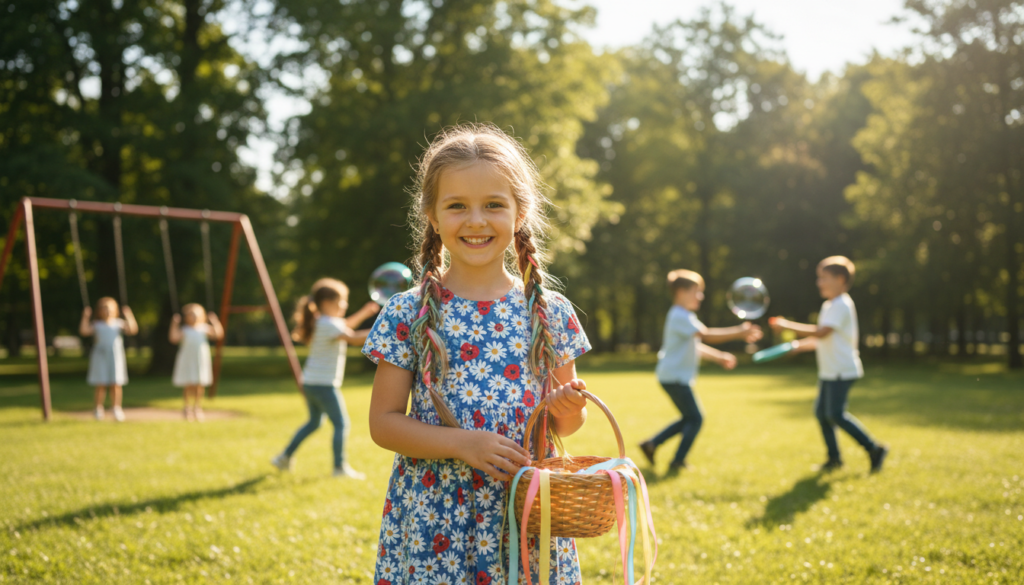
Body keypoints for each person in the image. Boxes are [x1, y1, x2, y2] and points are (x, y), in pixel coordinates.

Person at [362, 123, 592, 584]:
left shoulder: (550, 312)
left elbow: (566, 425)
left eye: (493, 205)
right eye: (456, 206)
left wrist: (567, 409)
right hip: (436, 517)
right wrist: (465, 444)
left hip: (526, 514)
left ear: (520, 211)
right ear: (432, 214)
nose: (476, 221)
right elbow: (383, 423)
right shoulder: (408, 311)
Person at [770, 255, 889, 473]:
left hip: (842, 370)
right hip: (829, 371)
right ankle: (834, 458)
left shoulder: (842, 304)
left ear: (841, 279)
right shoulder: (830, 305)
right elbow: (820, 339)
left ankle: (874, 448)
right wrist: (797, 346)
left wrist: (787, 325)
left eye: (823, 278)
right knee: (821, 413)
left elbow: (822, 332)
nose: (819, 282)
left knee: (834, 414)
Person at [638, 269, 762, 474]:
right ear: (681, 292)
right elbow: (704, 335)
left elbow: (696, 344)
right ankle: (677, 461)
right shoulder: (679, 315)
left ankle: (652, 444)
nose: (701, 296)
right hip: (674, 377)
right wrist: (739, 331)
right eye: (696, 291)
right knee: (696, 418)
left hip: (673, 376)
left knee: (690, 417)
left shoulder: (685, 316)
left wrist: (719, 357)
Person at [270, 278, 380, 478]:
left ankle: (283, 458)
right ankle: (339, 468)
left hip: (310, 382)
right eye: (343, 301)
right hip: (323, 385)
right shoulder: (330, 325)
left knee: (314, 423)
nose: (345, 305)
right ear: (329, 303)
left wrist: (365, 312)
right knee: (341, 424)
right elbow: (352, 337)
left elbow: (346, 327)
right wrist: (384, 329)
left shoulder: (324, 322)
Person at [80, 297, 139, 421]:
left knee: (116, 383)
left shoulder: (118, 323)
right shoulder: (97, 324)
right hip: (100, 356)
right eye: (104, 308)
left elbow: (133, 329)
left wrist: (129, 315)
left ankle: (116, 408)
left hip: (115, 356)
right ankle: (98, 408)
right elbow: (84, 331)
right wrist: (85, 317)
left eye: (109, 308)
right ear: (100, 311)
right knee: (100, 383)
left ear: (115, 310)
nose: (107, 311)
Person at [169, 303, 223, 422]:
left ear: (201, 316)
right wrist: (174, 324)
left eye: (196, 315)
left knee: (200, 384)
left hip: (200, 359)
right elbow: (173, 338)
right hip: (188, 359)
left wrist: (214, 321)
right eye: (191, 315)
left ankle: (197, 408)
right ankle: (187, 407)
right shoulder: (184, 330)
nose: (193, 317)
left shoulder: (204, 328)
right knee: (188, 384)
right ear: (186, 317)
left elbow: (218, 334)